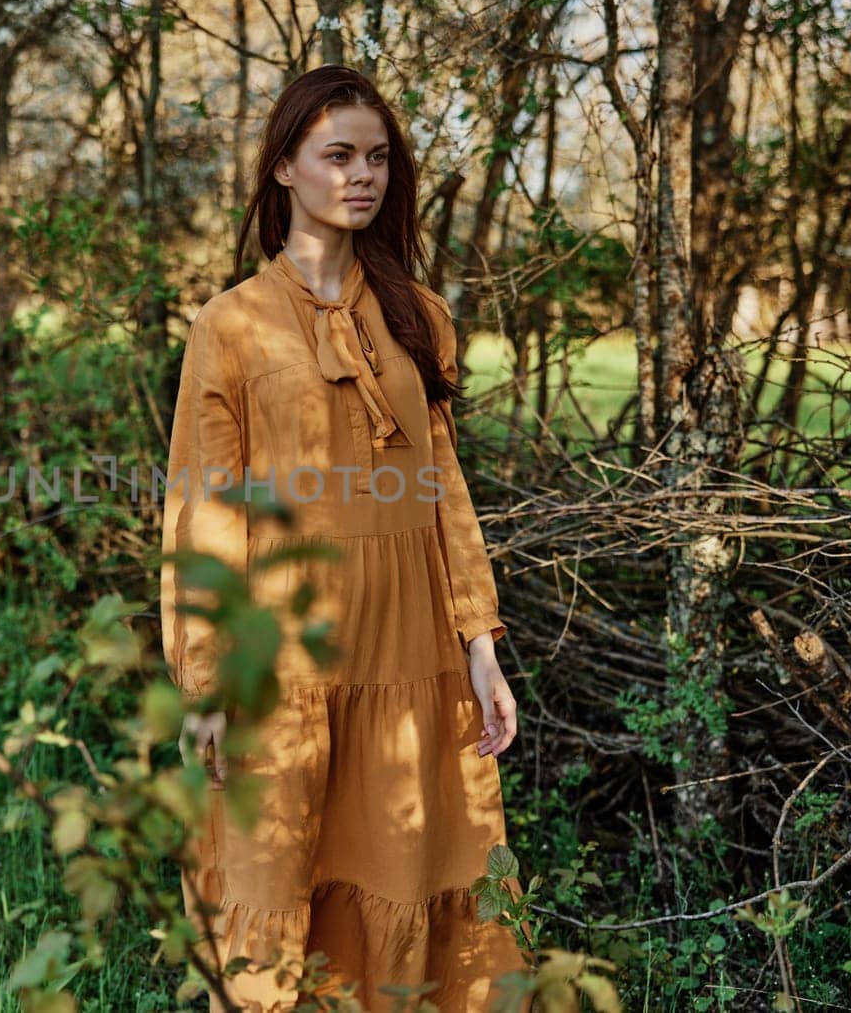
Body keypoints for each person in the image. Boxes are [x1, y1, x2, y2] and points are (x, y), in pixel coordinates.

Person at [159, 65, 528, 1011]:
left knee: (414, 866)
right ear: (284, 167)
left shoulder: (419, 318)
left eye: (376, 158)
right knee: (281, 872)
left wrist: (480, 645)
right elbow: (204, 516)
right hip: (285, 657)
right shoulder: (230, 327)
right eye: (337, 155)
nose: (362, 175)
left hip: (414, 655)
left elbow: (443, 489)